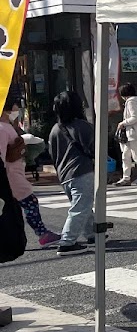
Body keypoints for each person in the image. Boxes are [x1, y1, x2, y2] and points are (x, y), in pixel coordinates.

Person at [1, 96, 58, 247]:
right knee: (29, 203)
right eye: (15, 106)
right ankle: (43, 234)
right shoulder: (3, 128)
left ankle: (38, 234)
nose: (17, 109)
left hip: (12, 175)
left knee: (11, 210)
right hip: (12, 176)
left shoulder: (6, 126)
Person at [47, 91, 95, 256]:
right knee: (81, 207)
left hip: (64, 175)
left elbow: (52, 154)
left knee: (82, 204)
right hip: (82, 171)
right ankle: (67, 242)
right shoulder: (82, 126)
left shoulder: (55, 129)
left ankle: (93, 233)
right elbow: (96, 147)